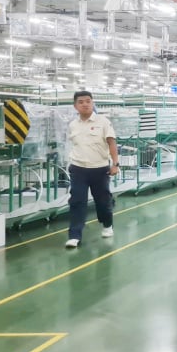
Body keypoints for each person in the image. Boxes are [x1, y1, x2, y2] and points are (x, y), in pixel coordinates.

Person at [65, 90, 119, 249]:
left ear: (92, 103)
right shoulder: (72, 125)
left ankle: (107, 225)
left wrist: (115, 164)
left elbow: (112, 143)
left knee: (103, 201)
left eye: (88, 101)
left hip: (100, 169)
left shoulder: (103, 122)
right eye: (81, 102)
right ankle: (74, 235)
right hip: (78, 169)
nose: (85, 104)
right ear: (75, 106)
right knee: (77, 202)